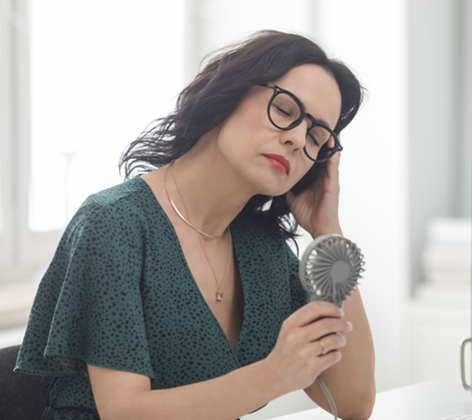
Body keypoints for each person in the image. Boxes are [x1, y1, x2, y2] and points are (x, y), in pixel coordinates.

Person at [15, 30, 376, 420]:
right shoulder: (113, 224)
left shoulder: (265, 252)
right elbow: (123, 412)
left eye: (316, 136)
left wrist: (329, 233)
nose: (296, 139)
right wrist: (272, 375)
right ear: (231, 92)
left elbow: (354, 403)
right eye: (286, 111)